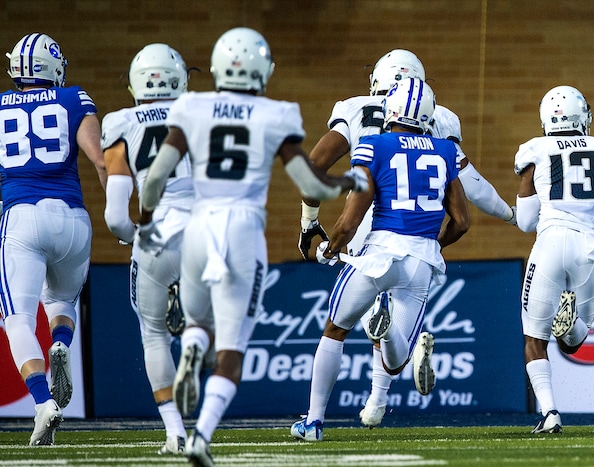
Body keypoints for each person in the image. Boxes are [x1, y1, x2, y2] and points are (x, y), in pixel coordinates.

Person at [136, 27, 364, 466]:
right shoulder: (275, 113)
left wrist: (145, 221)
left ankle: (193, 349)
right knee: (234, 347)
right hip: (242, 229)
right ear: (264, 70)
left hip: (199, 226)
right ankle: (201, 436)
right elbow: (308, 181)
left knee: (198, 322)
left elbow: (157, 176)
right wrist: (347, 182)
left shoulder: (193, 106)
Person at [297, 49, 516, 429]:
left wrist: (312, 225)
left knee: (343, 323)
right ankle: (377, 403)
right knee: (394, 336)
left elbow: (316, 168)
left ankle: (317, 419)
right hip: (422, 243)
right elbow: (470, 193)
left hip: (372, 230)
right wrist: (511, 215)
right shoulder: (442, 132)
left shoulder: (361, 117)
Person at [291, 77, 470, 442]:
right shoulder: (444, 151)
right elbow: (462, 222)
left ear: (391, 109)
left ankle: (313, 422)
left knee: (335, 330)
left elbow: (352, 215)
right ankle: (386, 331)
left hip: (378, 255)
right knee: (395, 360)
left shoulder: (374, 145)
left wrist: (332, 247)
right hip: (420, 259)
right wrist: (432, 246)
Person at [514, 85, 594, 433]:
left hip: (550, 243)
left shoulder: (534, 150)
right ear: (583, 116)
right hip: (589, 245)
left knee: (534, 339)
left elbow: (526, 222)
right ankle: (568, 322)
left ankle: (550, 413)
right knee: (573, 342)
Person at [0, 32, 107, 445]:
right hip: (73, 219)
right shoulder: (74, 98)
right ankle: (60, 342)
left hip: (22, 215)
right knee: (60, 301)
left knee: (18, 320)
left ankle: (43, 401)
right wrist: (122, 217)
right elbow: (99, 160)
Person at [101, 43, 192, 455]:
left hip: (157, 235)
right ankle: (197, 343)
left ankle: (175, 431)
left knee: (153, 334)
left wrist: (130, 236)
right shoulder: (203, 113)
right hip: (210, 230)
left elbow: (117, 216)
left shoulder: (121, 121)